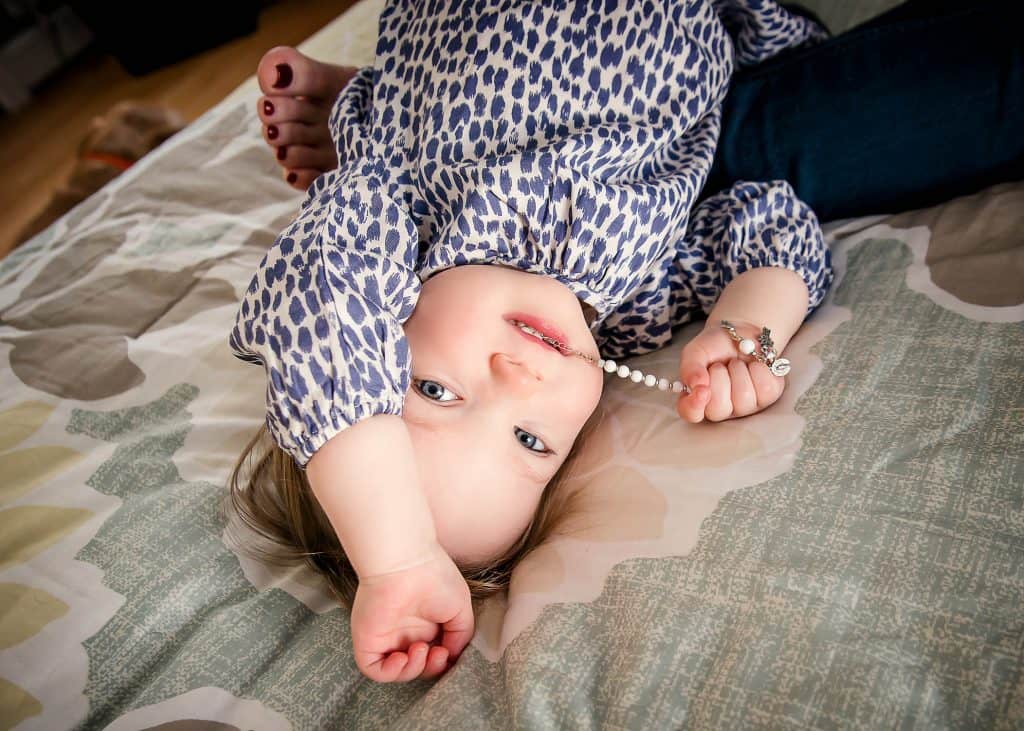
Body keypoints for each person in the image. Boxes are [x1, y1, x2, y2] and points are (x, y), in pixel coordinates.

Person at [228, 0, 1022, 684]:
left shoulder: (395, 219)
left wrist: (396, 558)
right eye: (531, 439)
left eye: (438, 391)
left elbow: (320, 301)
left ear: (380, 329)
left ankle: (365, 110)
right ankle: (365, 104)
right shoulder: (633, 303)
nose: (520, 377)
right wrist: (747, 327)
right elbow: (765, 220)